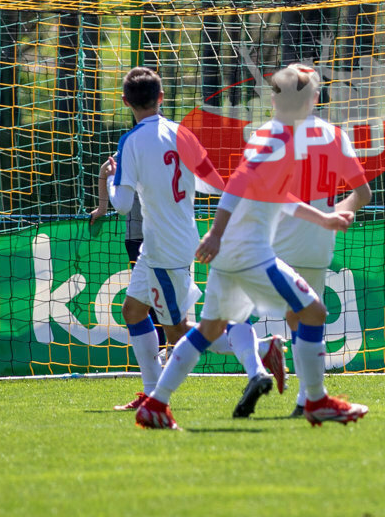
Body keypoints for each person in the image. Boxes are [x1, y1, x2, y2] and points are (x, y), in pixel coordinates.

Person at [135, 64, 367, 429]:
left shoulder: (276, 135)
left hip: (234, 250)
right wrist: (215, 232)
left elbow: (273, 193)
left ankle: (155, 405)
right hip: (247, 251)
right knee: (314, 312)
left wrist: (322, 219)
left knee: (208, 329)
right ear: (312, 101)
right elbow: (239, 183)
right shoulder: (278, 139)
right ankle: (316, 401)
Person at [90, 67, 288, 412]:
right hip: (167, 243)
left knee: (179, 333)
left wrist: (110, 179)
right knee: (133, 311)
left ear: (125, 102)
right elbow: (213, 183)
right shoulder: (181, 133)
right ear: (161, 98)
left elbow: (121, 207)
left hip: (166, 249)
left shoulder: (131, 142)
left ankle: (261, 349)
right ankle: (150, 394)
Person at [272, 88, 372, 417]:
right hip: (317, 244)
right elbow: (363, 193)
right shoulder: (334, 135)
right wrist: (338, 214)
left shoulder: (277, 134)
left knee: (230, 318)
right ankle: (308, 396)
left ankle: (308, 393)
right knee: (299, 314)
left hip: (278, 241)